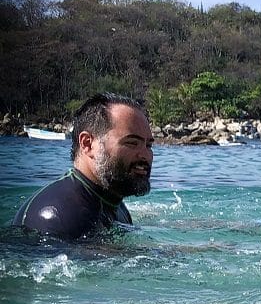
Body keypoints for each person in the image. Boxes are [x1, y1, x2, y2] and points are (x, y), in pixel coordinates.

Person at [12, 92, 154, 240]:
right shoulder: (57, 218)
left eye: (149, 145)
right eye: (131, 143)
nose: (145, 155)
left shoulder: (113, 203)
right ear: (88, 144)